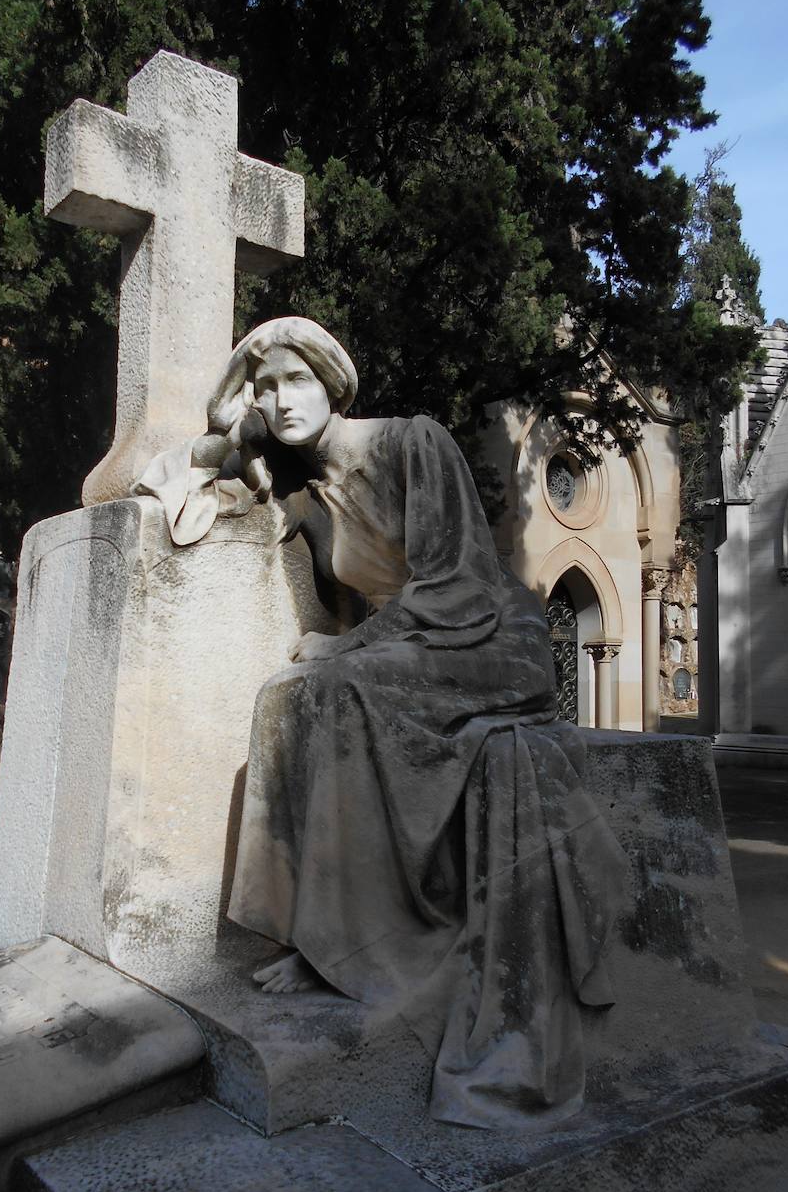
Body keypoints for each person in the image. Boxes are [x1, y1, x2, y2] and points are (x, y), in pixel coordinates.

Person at [139, 316, 627, 1128]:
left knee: (336, 686)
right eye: (265, 388)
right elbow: (191, 469)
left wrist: (347, 645)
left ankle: (361, 946)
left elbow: (456, 585)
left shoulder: (413, 442)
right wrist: (220, 441)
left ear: (332, 383)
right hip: (404, 655)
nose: (279, 398)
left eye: (295, 380)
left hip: (490, 640)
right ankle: (314, 935)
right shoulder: (301, 492)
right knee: (282, 698)